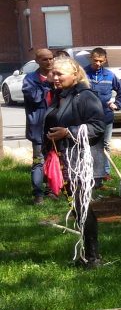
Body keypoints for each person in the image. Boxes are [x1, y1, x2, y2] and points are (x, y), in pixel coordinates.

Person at [43, 55, 106, 268]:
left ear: (75, 75)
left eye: (59, 74)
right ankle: (87, 255)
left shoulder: (85, 96)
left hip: (83, 162)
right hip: (66, 161)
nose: (55, 77)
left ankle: (93, 257)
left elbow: (97, 127)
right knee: (78, 206)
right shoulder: (59, 95)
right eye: (53, 73)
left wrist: (67, 132)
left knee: (83, 206)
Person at [84, 47, 121, 181]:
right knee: (89, 144)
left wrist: (117, 104)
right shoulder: (83, 74)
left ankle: (105, 172)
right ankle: (89, 172)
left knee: (105, 144)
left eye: (101, 61)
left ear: (105, 60)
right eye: (95, 60)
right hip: (88, 117)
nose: (98, 63)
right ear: (91, 58)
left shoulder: (110, 75)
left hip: (106, 116)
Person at [23, 49, 55, 205]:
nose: (49, 62)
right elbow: (34, 98)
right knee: (38, 161)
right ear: (37, 61)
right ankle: (38, 194)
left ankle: (51, 190)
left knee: (53, 158)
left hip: (55, 125)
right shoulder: (30, 79)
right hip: (38, 126)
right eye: (45, 59)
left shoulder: (58, 77)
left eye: (51, 59)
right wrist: (47, 83)